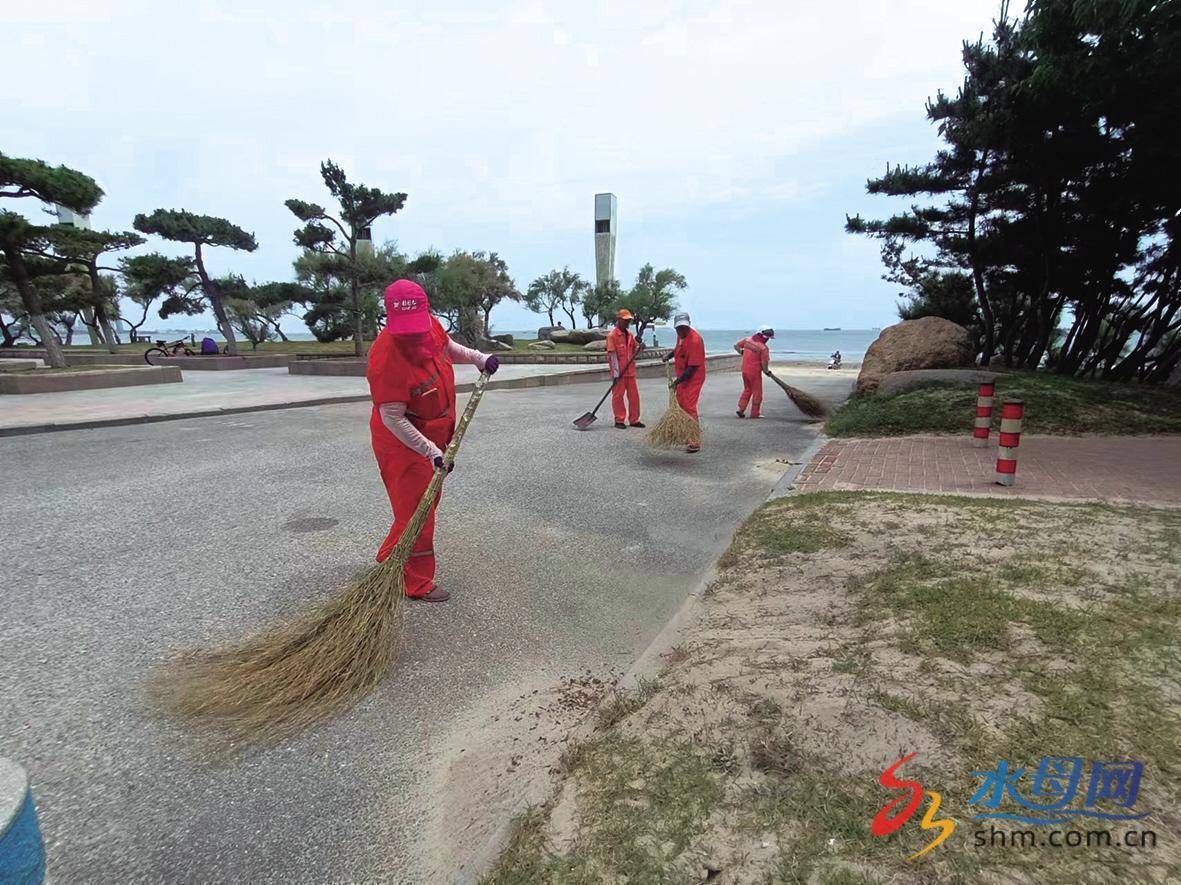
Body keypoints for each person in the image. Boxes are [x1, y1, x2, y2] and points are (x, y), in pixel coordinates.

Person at [366, 279, 499, 602]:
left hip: (435, 433)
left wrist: (479, 358)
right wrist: (429, 451)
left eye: (418, 326)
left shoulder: (431, 326)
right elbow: (392, 418)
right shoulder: (385, 359)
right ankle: (416, 582)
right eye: (406, 328)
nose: (414, 334)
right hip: (402, 444)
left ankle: (390, 557)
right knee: (417, 512)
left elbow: (447, 347)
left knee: (423, 507)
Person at [662, 312, 706, 452]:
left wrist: (676, 382)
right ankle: (684, 433)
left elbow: (692, 369)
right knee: (681, 404)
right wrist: (668, 355)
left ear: (689, 326)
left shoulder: (695, 341)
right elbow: (678, 349)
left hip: (693, 378)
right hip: (683, 376)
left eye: (684, 328)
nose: (681, 331)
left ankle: (694, 440)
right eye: (679, 328)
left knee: (689, 406)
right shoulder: (680, 336)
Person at [606, 308, 643, 429]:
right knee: (618, 396)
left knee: (634, 397)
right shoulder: (612, 336)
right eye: (625, 320)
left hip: (630, 372)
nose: (628, 323)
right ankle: (619, 420)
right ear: (619, 320)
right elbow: (612, 357)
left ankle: (634, 419)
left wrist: (641, 346)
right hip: (619, 373)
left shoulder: (630, 335)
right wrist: (616, 374)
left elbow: (636, 348)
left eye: (629, 321)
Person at [734, 325, 774, 418]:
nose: (767, 339)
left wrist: (742, 352)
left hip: (745, 370)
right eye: (767, 337)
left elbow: (736, 346)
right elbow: (764, 363)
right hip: (755, 373)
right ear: (760, 334)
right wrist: (767, 371)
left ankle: (740, 409)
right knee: (757, 393)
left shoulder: (747, 340)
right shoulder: (763, 348)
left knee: (747, 390)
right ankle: (755, 413)